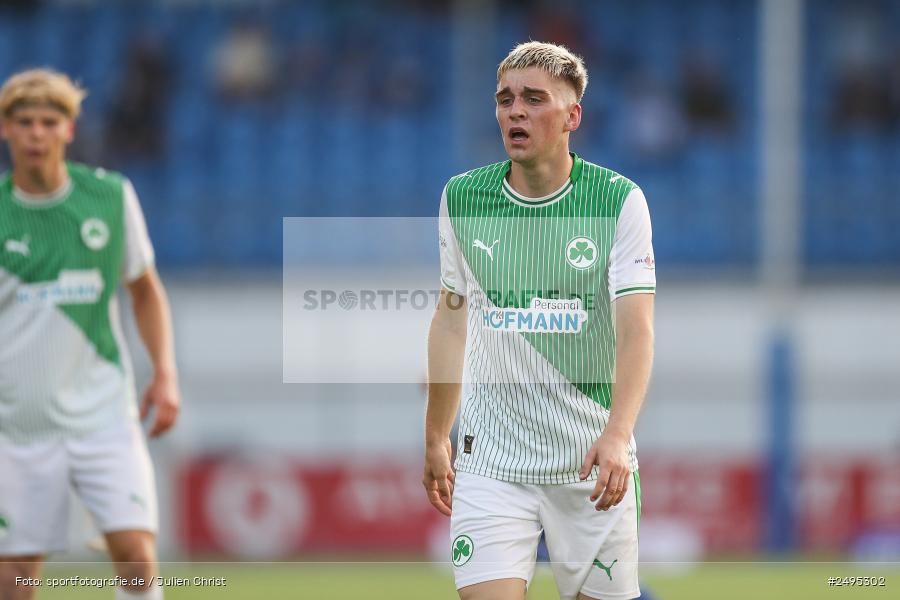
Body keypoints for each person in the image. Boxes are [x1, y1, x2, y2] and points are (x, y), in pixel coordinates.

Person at [423, 42, 655, 600]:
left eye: (533, 99)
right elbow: (451, 321)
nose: (515, 112)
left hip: (591, 463)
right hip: (492, 462)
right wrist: (435, 434)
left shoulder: (619, 201)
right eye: (505, 100)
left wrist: (618, 435)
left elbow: (637, 330)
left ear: (572, 116)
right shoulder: (462, 197)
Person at [0, 69, 180, 600]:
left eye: (49, 122)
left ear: (69, 130)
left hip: (102, 413)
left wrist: (165, 374)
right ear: (5, 130)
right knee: (14, 577)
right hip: (17, 423)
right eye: (24, 122)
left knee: (136, 556)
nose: (36, 133)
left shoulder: (109, 196)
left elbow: (145, 290)